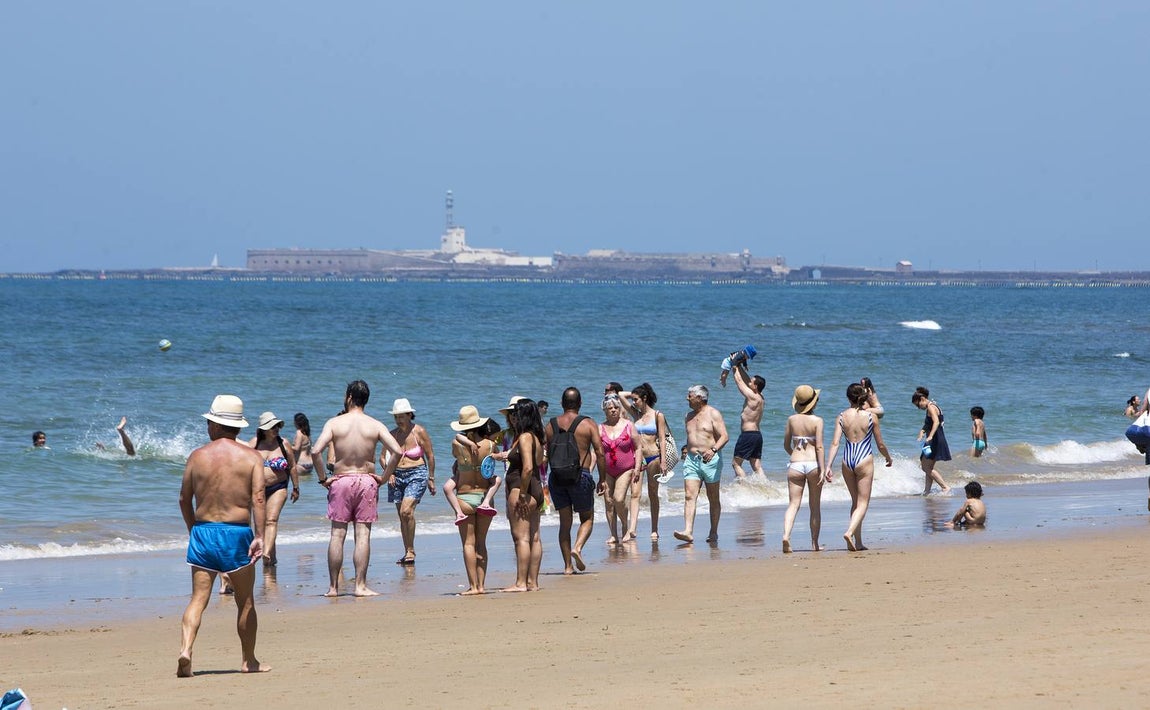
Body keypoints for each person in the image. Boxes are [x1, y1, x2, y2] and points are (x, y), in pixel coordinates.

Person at [177, 394, 269, 677]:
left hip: (203, 532)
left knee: (198, 599)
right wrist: (260, 535)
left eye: (209, 422)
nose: (207, 427)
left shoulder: (197, 456)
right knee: (245, 601)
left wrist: (193, 530)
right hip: (236, 534)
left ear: (216, 425)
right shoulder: (251, 457)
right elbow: (259, 498)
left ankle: (186, 650)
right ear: (238, 426)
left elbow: (184, 499)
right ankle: (249, 661)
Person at [309, 380, 403, 597]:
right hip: (366, 481)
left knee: (337, 535)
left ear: (349, 397)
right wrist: (384, 478)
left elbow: (315, 452)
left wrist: (323, 479)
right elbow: (397, 452)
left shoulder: (334, 423)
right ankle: (360, 586)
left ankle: (333, 588)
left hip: (341, 480)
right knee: (362, 535)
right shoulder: (375, 425)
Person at [825, 383, 893, 552]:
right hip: (864, 459)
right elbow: (880, 444)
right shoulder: (871, 417)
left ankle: (859, 542)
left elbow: (835, 443)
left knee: (855, 502)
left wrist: (828, 466)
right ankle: (849, 532)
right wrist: (888, 457)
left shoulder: (841, 416)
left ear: (848, 398)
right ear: (863, 397)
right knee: (863, 503)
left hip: (847, 460)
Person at [545, 387, 605, 574]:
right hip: (581, 476)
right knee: (587, 518)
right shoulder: (588, 424)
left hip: (557, 477)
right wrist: (602, 479)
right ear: (580, 403)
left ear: (561, 403)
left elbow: (545, 455)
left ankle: (567, 567)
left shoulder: (550, 425)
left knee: (565, 524)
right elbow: (600, 453)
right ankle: (577, 547)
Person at [448, 405, 499, 595]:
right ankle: (482, 586)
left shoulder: (457, 444)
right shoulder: (490, 445)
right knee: (481, 543)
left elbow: (456, 455)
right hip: (485, 496)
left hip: (465, 496)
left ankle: (474, 586)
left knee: (468, 544)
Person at [674, 385, 729, 544]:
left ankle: (713, 532)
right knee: (689, 496)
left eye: (690, 395)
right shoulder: (688, 416)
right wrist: (686, 449)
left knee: (713, 497)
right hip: (691, 460)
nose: (687, 398)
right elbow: (692, 437)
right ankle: (688, 531)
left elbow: (724, 436)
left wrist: (713, 450)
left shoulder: (713, 413)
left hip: (711, 461)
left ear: (699, 398)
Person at [384, 398, 436, 566]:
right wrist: (389, 473)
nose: (398, 420)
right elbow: (382, 458)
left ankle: (411, 550)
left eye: (401, 416)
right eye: (396, 417)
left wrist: (431, 478)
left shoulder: (419, 431)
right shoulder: (392, 435)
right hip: (397, 476)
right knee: (402, 516)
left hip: (417, 473)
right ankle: (407, 551)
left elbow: (430, 456)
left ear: (409, 415)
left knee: (406, 511)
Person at [504, 398, 547, 591]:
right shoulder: (537, 438)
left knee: (520, 538)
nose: (513, 416)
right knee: (534, 537)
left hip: (522, 488)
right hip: (536, 488)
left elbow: (528, 468)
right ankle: (532, 582)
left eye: (516, 413)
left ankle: (521, 582)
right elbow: (537, 463)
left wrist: (521, 493)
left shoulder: (524, 437)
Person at [249, 412, 299, 567]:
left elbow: (292, 466)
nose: (276, 428)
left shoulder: (283, 443)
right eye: (272, 426)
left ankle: (265, 553)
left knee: (271, 520)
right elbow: (242, 463)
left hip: (279, 487)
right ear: (264, 429)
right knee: (261, 523)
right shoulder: (254, 443)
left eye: (277, 426)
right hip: (258, 490)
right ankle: (272, 558)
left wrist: (296, 487)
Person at [626, 383, 674, 541]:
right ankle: (632, 529)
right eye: (633, 400)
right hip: (638, 459)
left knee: (653, 493)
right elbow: (620, 396)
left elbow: (662, 438)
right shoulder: (636, 414)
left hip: (654, 457)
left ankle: (654, 529)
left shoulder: (658, 415)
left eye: (636, 399)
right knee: (635, 494)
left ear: (644, 398)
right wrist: (633, 394)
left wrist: (664, 461)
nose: (633, 402)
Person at [781, 385, 825, 553]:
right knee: (815, 506)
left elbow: (786, 445)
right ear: (814, 402)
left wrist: (795, 456)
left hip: (795, 464)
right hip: (813, 464)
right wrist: (822, 469)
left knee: (793, 504)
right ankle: (814, 544)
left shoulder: (791, 420)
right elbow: (819, 447)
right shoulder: (817, 421)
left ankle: (786, 536)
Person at [599, 394, 643, 545]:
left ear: (620, 409)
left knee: (618, 499)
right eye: (610, 408)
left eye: (616, 407)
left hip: (626, 469)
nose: (613, 410)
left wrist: (637, 467)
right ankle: (613, 534)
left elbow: (638, 447)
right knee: (608, 501)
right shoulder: (600, 428)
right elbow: (596, 452)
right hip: (607, 471)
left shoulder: (629, 425)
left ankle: (625, 525)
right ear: (605, 410)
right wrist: (590, 469)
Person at [730, 363, 767, 480]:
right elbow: (746, 380)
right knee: (756, 465)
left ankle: (743, 487)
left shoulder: (752, 396)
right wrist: (739, 366)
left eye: (751, 382)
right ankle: (766, 485)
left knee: (736, 464)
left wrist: (734, 368)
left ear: (755, 386)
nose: (749, 383)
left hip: (748, 435)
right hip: (757, 435)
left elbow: (740, 382)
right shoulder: (761, 397)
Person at [913, 387, 952, 494]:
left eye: (918, 405)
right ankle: (927, 490)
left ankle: (945, 487)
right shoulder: (932, 406)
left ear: (922, 399)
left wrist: (930, 436)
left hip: (935, 440)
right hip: (934, 440)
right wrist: (922, 431)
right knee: (927, 466)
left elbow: (936, 422)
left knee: (925, 467)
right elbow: (929, 423)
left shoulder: (931, 408)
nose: (918, 408)